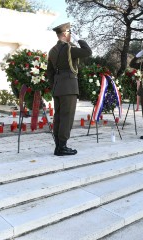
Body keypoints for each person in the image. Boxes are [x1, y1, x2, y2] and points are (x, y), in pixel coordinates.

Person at [47, 22, 92, 156]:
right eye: (70, 34)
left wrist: (55, 85)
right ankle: (62, 146)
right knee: (67, 117)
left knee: (59, 117)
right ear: (66, 34)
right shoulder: (69, 48)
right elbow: (88, 52)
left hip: (58, 87)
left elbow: (50, 73)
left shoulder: (52, 50)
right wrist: (79, 39)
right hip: (69, 87)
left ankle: (58, 146)